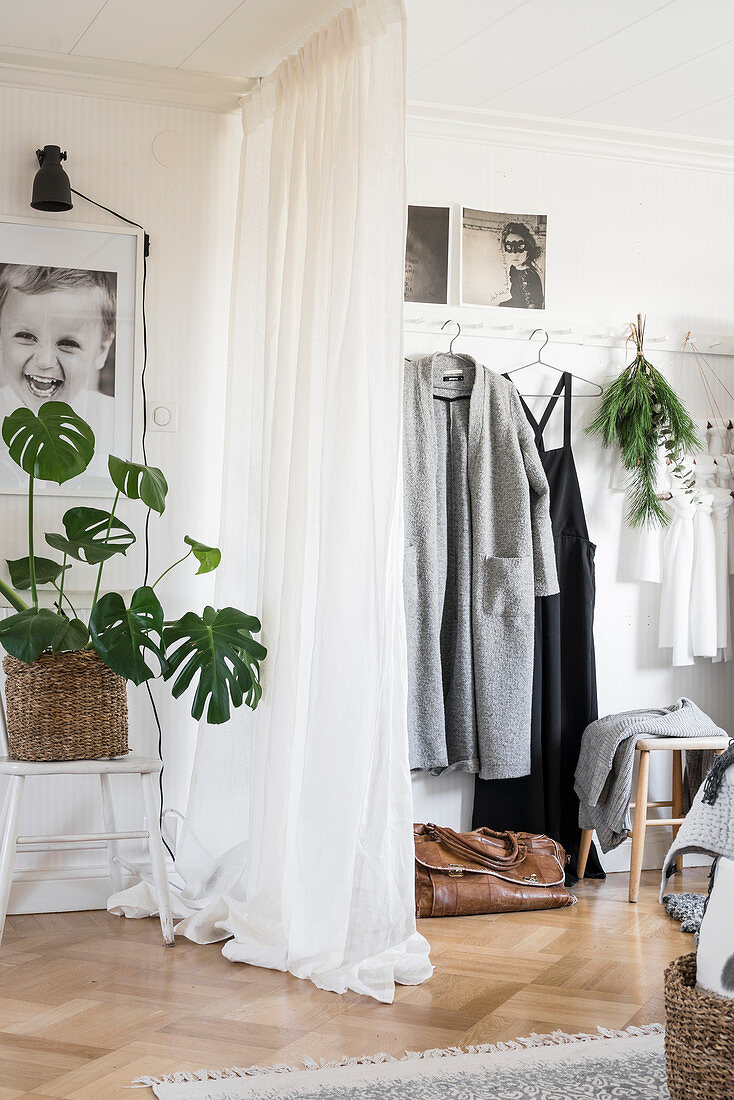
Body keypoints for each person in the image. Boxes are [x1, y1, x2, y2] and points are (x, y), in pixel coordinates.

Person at [0, 264, 116, 483]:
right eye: (25, 335)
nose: (44, 361)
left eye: (68, 343)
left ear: (102, 350)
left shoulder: (113, 418)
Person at [499, 222, 544, 309]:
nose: (515, 254)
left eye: (520, 247)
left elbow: (532, 311)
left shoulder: (530, 277)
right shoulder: (514, 268)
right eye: (509, 247)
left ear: (529, 248)